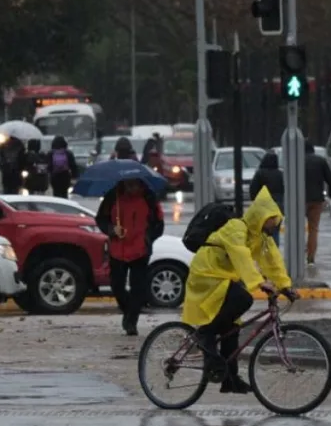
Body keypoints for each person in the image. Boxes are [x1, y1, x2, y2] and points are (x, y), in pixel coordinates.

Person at [182, 187, 298, 394]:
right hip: (206, 274)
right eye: (271, 220)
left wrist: (285, 286)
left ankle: (230, 379)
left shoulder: (261, 238)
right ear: (260, 217)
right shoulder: (236, 227)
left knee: (231, 331)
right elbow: (240, 254)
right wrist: (257, 282)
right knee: (243, 299)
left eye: (276, 221)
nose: (273, 226)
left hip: (223, 278)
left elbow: (273, 262)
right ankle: (204, 334)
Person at [95, 178, 164, 336]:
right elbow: (101, 219)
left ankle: (131, 322)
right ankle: (129, 312)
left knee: (138, 288)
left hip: (140, 250)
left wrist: (147, 238)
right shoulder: (113, 197)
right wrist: (112, 229)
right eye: (128, 184)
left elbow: (158, 223)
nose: (131, 188)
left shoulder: (149, 198)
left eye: (134, 184)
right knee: (117, 286)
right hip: (117, 250)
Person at [304, 141, 331, 265]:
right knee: (313, 229)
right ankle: (311, 257)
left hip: (299, 199)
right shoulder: (320, 161)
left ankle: (296, 254)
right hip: (316, 199)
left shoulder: (297, 160)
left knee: (296, 228)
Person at [249, 152, 284, 246]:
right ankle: (274, 249)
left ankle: (264, 251)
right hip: (278, 205)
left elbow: (253, 190)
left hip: (264, 205)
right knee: (275, 230)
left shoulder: (260, 173)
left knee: (263, 230)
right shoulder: (280, 174)